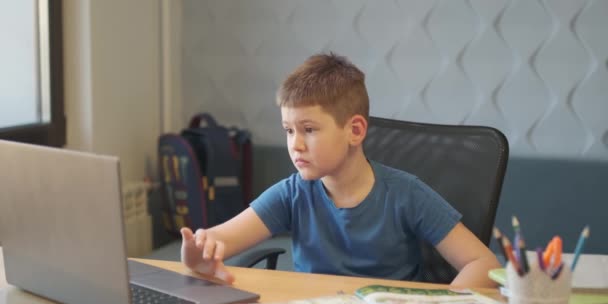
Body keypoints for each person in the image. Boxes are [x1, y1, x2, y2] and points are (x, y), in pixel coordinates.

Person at [180, 52, 501, 288]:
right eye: (289, 130)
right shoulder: (293, 193)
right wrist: (199, 252)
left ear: (355, 131)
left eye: (309, 129)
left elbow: (483, 263)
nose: (296, 145)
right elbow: (221, 238)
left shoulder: (406, 193)